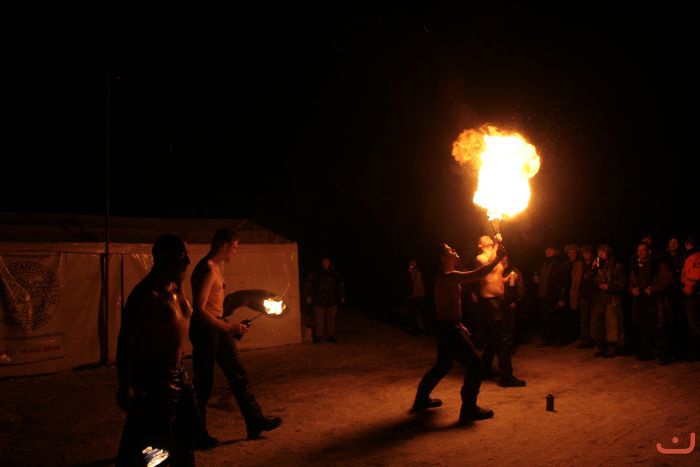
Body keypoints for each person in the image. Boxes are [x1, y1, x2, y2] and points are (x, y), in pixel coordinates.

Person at [115, 234, 201, 466]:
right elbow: (126, 341)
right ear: (165, 257)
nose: (188, 261)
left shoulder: (177, 287)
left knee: (188, 432)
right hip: (156, 377)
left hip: (180, 372)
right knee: (156, 445)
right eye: (182, 255)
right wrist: (125, 384)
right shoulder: (145, 295)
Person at [189, 228, 281, 441]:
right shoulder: (207, 269)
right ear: (224, 245)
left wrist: (228, 323)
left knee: (238, 375)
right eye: (234, 247)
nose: (235, 252)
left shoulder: (216, 268)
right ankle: (197, 432)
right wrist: (228, 328)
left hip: (218, 328)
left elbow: (215, 304)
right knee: (203, 382)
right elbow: (199, 309)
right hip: (205, 331)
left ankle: (255, 421)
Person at [411, 241, 505, 424]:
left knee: (443, 365)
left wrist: (458, 322)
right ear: (442, 258)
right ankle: (469, 410)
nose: (453, 250)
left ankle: (421, 400)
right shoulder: (447, 276)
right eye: (449, 250)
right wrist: (497, 258)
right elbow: (478, 274)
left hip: (447, 325)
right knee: (475, 365)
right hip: (448, 328)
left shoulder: (445, 276)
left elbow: (445, 304)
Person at [475, 236, 526, 387]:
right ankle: (506, 377)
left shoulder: (495, 257)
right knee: (504, 338)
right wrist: (497, 244)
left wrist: (507, 278)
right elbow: (490, 265)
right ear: (480, 245)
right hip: (490, 303)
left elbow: (495, 278)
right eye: (486, 240)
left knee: (494, 338)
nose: (490, 239)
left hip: (498, 301)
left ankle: (484, 370)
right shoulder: (480, 258)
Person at [303, 256, 346, 343]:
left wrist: (342, 296)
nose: (326, 263)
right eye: (324, 261)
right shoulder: (315, 272)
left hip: (332, 300)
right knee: (319, 319)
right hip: (318, 299)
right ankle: (319, 336)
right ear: (321, 262)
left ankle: (331, 335)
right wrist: (308, 295)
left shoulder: (334, 272)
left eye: (327, 261)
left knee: (331, 319)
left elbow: (340, 284)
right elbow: (308, 283)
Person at [404, 259, 432, 335]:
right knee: (413, 314)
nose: (412, 263)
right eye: (411, 262)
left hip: (421, 294)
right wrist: (408, 273)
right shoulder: (408, 272)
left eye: (414, 262)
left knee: (424, 313)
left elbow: (424, 281)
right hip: (412, 295)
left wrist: (425, 291)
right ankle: (416, 330)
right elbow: (407, 283)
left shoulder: (420, 271)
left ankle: (428, 330)